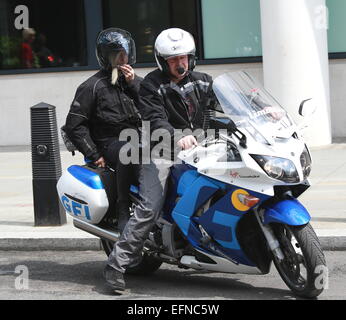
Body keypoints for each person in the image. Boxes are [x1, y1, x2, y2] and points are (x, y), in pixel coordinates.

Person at [104, 28, 215, 291]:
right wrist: (177, 137)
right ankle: (116, 263)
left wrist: (261, 109)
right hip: (160, 152)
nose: (180, 64)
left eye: (184, 58)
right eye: (173, 60)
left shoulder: (203, 81)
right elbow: (155, 119)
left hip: (200, 148)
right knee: (150, 206)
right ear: (162, 61)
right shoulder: (151, 86)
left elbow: (226, 103)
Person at [64, 28, 142, 234]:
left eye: (125, 54)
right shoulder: (92, 86)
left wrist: (133, 84)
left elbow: (153, 107)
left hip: (139, 139)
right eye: (117, 55)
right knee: (130, 149)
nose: (122, 59)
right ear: (106, 57)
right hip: (109, 143)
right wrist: (93, 153)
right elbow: (74, 125)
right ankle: (123, 208)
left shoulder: (133, 82)